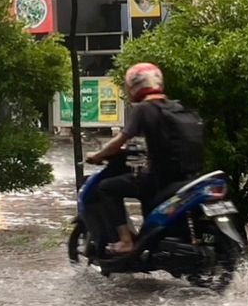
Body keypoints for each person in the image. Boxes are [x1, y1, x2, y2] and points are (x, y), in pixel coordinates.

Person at [84, 63, 205, 257]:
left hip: (157, 179)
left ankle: (125, 242)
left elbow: (120, 140)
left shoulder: (144, 108)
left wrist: (98, 155)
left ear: (134, 85)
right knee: (140, 189)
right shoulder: (176, 107)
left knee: (106, 188)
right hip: (186, 177)